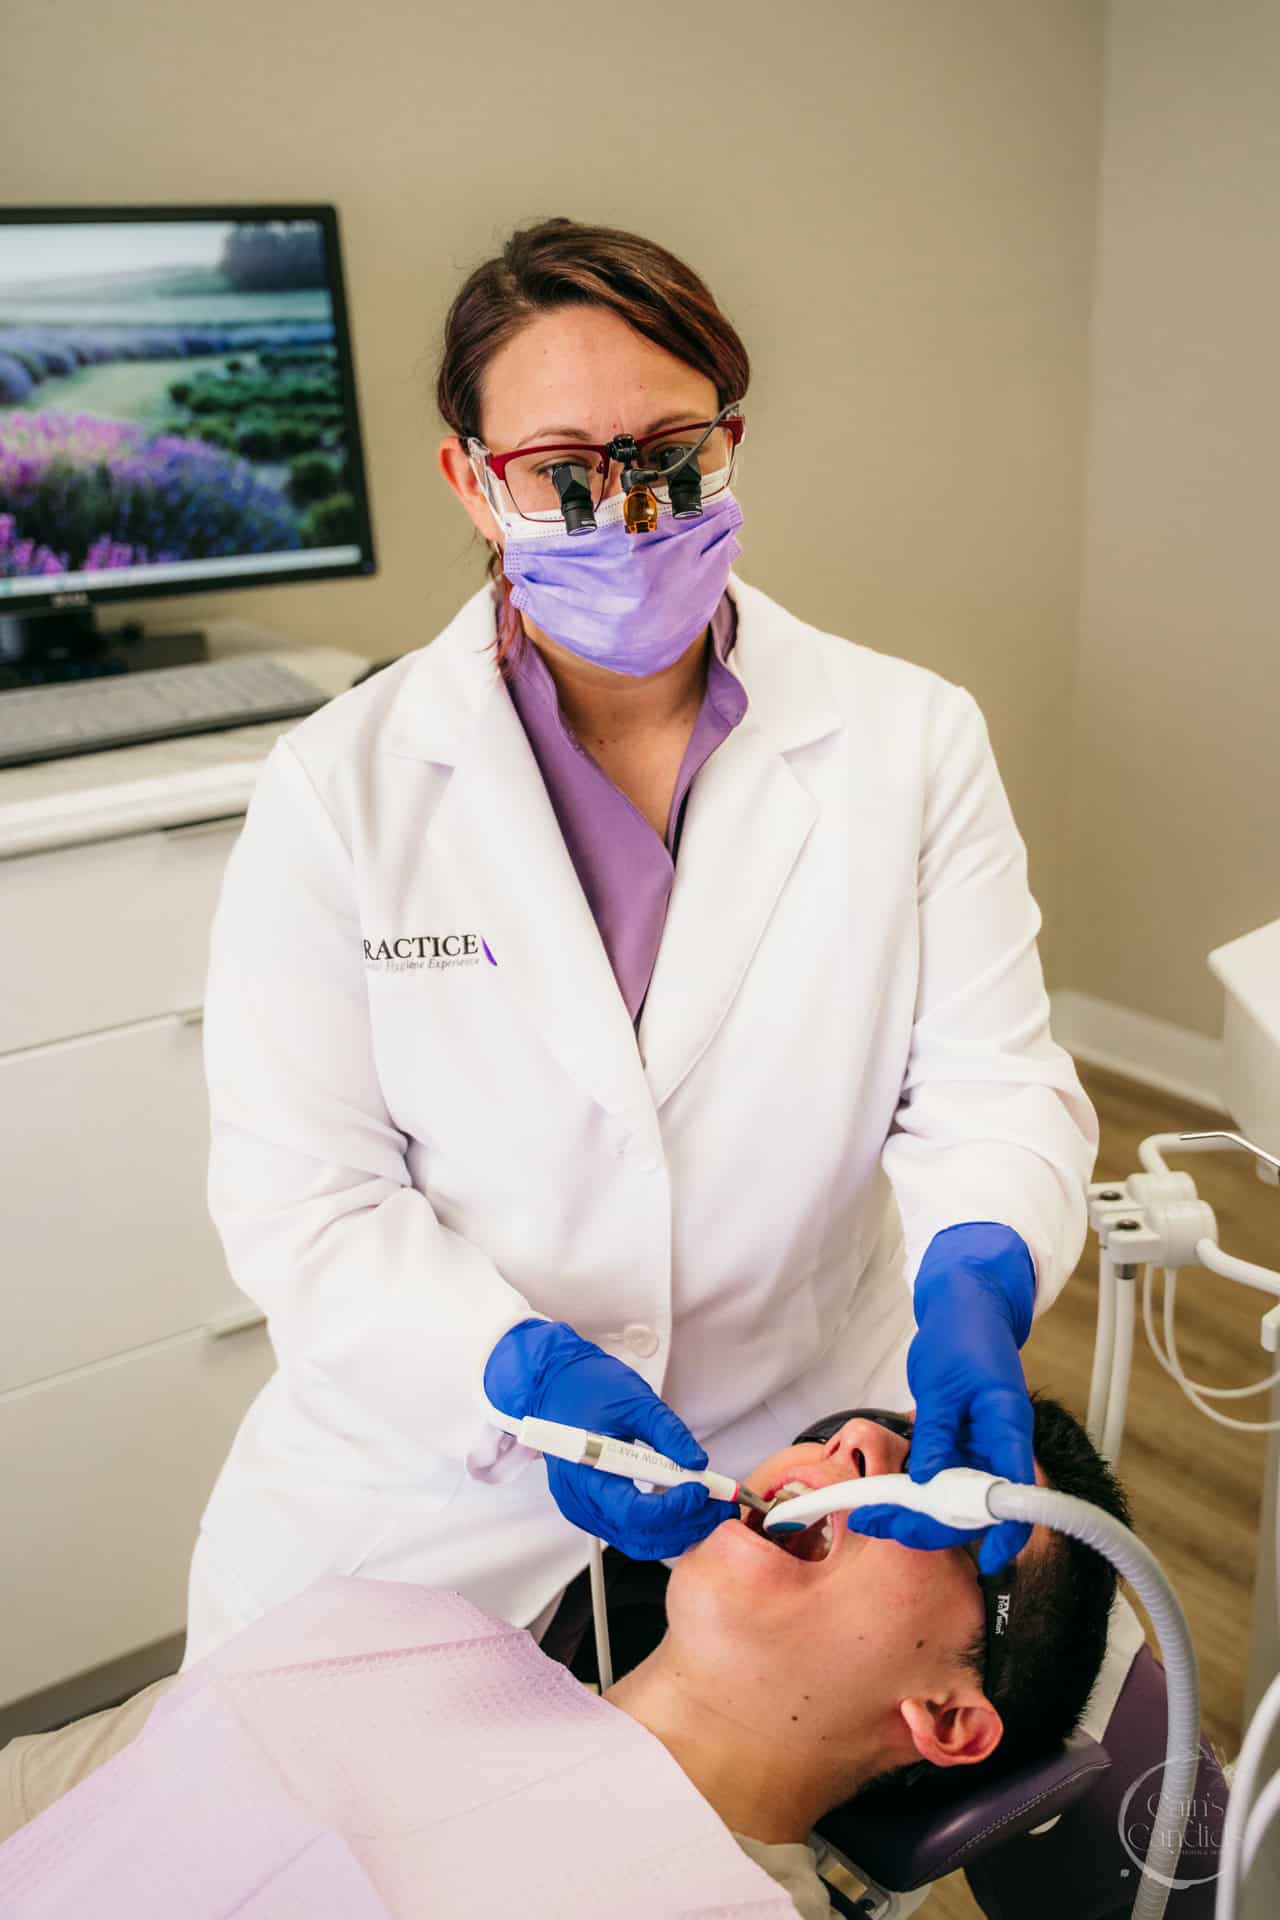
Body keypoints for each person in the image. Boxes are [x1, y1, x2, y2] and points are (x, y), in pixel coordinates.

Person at [174, 214, 1098, 1669]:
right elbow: (307, 1200)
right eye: (563, 475)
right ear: (475, 487)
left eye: (674, 453)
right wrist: (509, 1373)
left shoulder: (909, 739)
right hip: (431, 1488)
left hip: (778, 1487)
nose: (635, 514)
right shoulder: (340, 789)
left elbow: (987, 1082)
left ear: (731, 441)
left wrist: (980, 1268)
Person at [0, 1401, 1131, 1920]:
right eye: (875, 1426)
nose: (861, 1447)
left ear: (946, 1716)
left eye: (941, 1497)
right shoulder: (374, 1633)